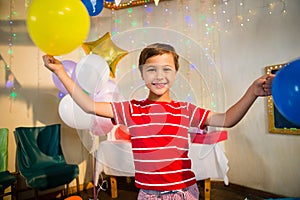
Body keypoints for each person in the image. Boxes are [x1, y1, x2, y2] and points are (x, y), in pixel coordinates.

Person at [42, 43, 274, 200]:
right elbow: (88, 105)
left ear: (175, 74)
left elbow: (228, 119)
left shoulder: (185, 110)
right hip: (148, 194)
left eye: (166, 69)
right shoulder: (130, 109)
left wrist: (252, 92)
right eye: (151, 70)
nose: (159, 76)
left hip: (183, 193)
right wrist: (61, 72)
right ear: (142, 74)